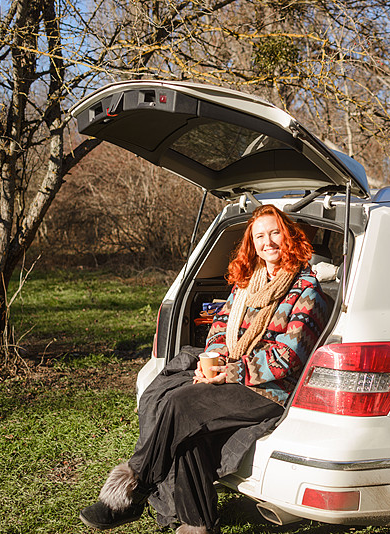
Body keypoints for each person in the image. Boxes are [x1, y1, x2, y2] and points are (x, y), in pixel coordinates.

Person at [80, 204, 331, 533]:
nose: (267, 242)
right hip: (230, 376)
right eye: (259, 236)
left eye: (274, 233)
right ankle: (198, 526)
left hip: (271, 390)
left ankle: (134, 491)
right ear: (252, 244)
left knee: (179, 404)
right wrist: (209, 363)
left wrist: (229, 373)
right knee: (189, 437)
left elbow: (286, 358)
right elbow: (219, 329)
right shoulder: (245, 287)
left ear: (289, 239)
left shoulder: (307, 293)